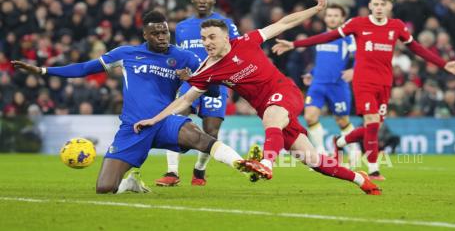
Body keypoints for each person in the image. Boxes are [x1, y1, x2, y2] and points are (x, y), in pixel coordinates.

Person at [134, 0, 382, 195]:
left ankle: (266, 164)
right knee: (314, 161)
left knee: (272, 116)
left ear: (225, 38)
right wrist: (155, 119)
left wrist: (317, 8)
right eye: (203, 38)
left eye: (211, 37)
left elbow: (283, 23)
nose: (206, 42)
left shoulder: (246, 41)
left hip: (284, 92)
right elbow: (184, 100)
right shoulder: (207, 70)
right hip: (268, 110)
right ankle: (361, 180)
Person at [12, 10, 265, 194]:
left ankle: (242, 164)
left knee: (199, 137)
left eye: (165, 31)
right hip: (133, 127)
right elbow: (84, 68)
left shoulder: (184, 57)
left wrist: (193, 79)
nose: (162, 36)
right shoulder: (126, 54)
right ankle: (129, 183)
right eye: (155, 33)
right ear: (145, 35)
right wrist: (43, 72)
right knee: (104, 188)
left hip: (164, 121)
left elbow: (211, 92)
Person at [271, 0, 455, 180]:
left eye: (383, 4)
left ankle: (340, 141)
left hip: (385, 83)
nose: (379, 8)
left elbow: (417, 48)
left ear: (389, 6)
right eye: (376, 4)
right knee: (371, 121)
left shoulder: (396, 26)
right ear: (370, 6)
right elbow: (327, 37)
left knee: (374, 127)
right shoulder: (358, 24)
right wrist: (294, 44)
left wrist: (443, 63)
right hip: (363, 82)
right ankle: (373, 170)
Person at [157, 0, 240, 187]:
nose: (203, 0)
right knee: (175, 119)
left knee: (211, 130)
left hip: (217, 83)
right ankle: (172, 172)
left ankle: (199, 171)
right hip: (190, 82)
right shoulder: (183, 27)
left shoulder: (226, 23)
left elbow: (238, 50)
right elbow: (177, 55)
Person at [278, 4, 359, 167]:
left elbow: (359, 56)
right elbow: (322, 62)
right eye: (329, 15)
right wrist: (313, 74)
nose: (332, 18)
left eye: (336, 15)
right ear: (325, 18)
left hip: (337, 85)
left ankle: (355, 152)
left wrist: (353, 70)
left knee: (342, 120)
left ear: (342, 19)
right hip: (318, 84)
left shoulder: (348, 38)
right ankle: (321, 153)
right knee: (309, 116)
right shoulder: (321, 38)